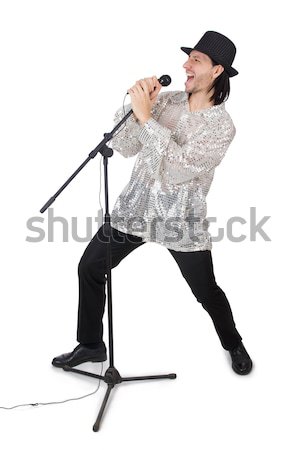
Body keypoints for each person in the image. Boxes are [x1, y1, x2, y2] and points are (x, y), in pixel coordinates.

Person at [52, 31, 253, 375]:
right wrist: (137, 104)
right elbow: (126, 145)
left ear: (217, 71)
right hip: (136, 210)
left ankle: (233, 343)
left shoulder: (222, 126)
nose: (185, 65)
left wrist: (147, 119)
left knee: (206, 292)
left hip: (179, 221)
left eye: (196, 60)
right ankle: (90, 344)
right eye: (188, 58)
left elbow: (177, 169)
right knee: (89, 267)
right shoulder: (167, 102)